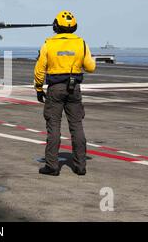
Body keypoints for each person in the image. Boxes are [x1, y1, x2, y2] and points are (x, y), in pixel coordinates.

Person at [34, 10, 96, 176]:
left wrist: (39, 88)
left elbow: (40, 69)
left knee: (53, 126)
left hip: (55, 89)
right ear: (74, 26)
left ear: (56, 26)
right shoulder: (81, 43)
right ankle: (80, 166)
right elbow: (91, 67)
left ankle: (52, 166)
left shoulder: (48, 44)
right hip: (74, 88)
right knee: (76, 126)